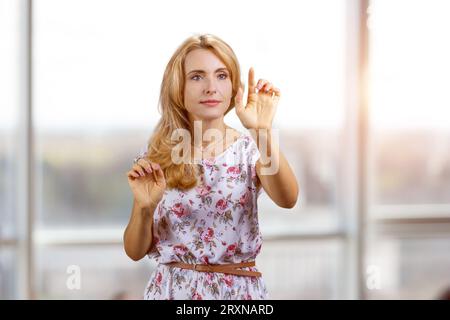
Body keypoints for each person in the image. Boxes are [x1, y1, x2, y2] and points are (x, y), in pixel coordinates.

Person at [123, 34, 299, 300]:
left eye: (221, 75)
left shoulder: (250, 149)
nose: (211, 87)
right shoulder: (156, 155)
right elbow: (135, 251)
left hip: (237, 295)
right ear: (178, 88)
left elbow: (288, 199)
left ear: (232, 87)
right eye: (197, 76)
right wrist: (145, 209)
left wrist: (261, 130)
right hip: (171, 292)